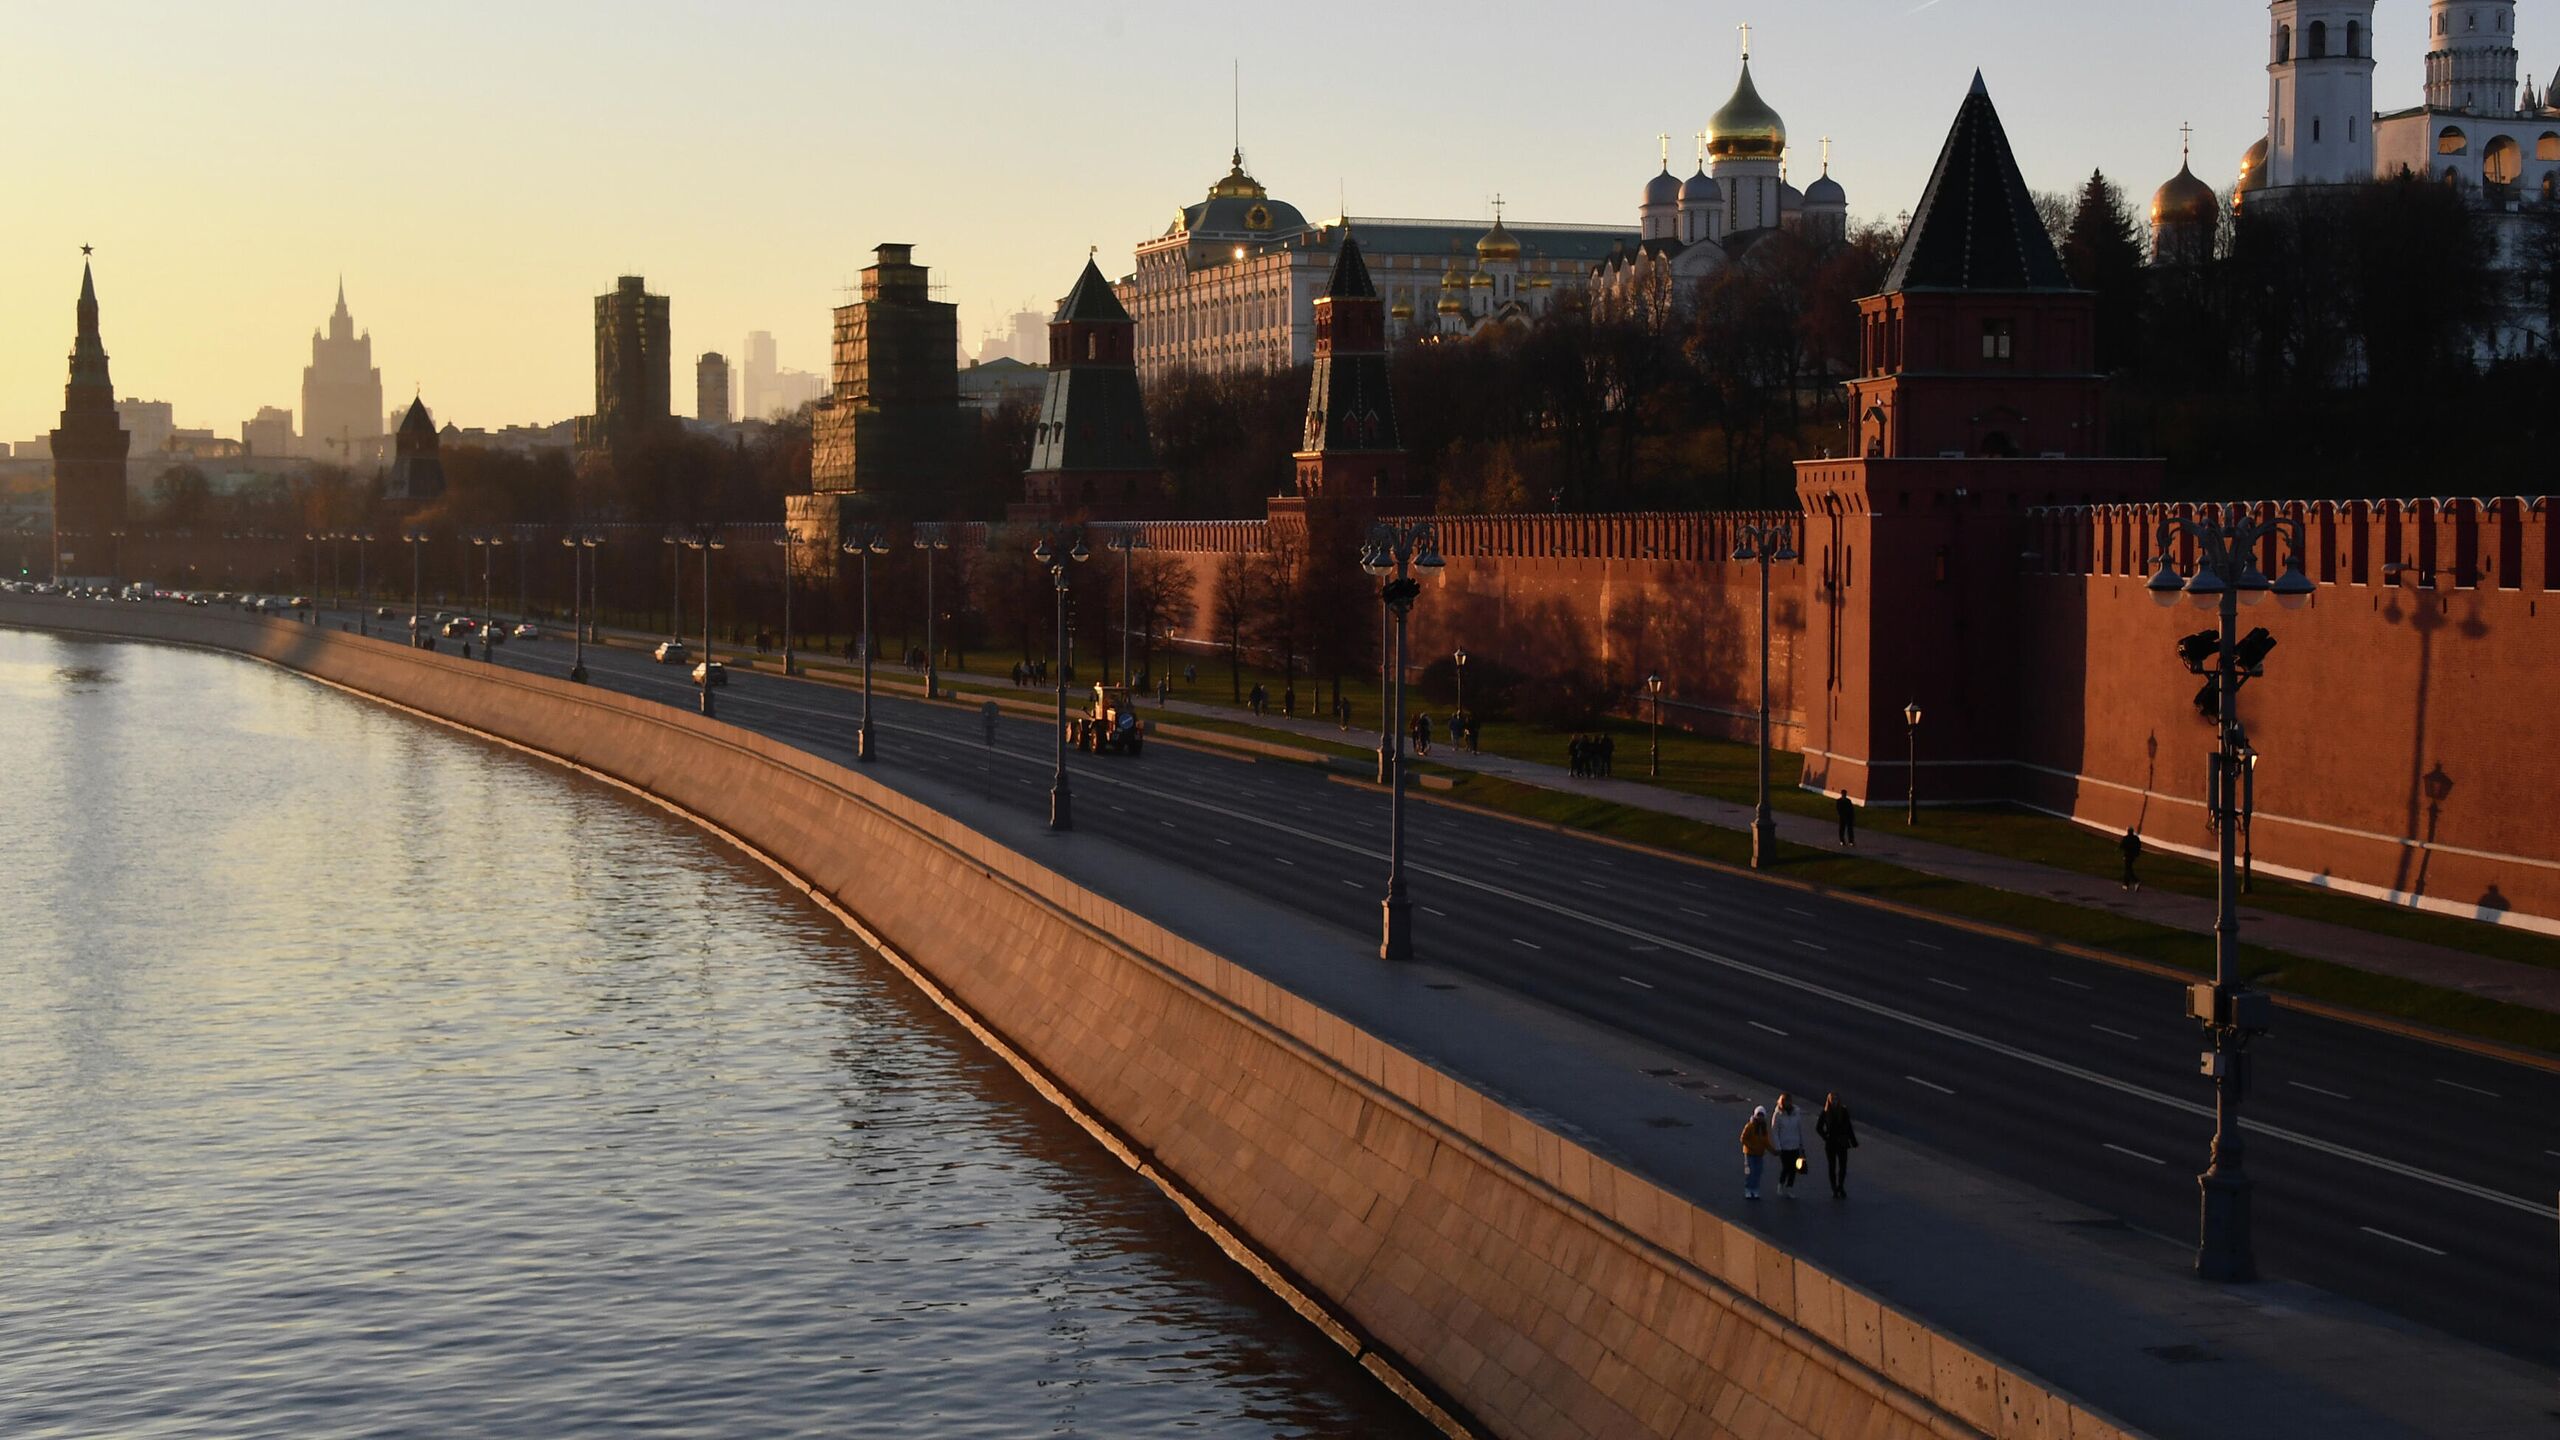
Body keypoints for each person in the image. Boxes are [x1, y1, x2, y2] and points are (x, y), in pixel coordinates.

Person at [1816, 1092, 1858, 1199]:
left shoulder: (1843, 1111)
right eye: (1832, 1099)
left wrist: (1853, 1141)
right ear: (1829, 1101)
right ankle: (1834, 1188)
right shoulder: (1825, 1112)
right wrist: (1825, 1136)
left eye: (1836, 1099)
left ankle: (1841, 1186)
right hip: (1831, 1143)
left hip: (1842, 1142)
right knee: (1832, 1166)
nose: (1834, 1101)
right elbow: (1818, 1127)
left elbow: (1849, 1127)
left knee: (1843, 1166)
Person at [1770, 1093, 1806, 1196]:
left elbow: (1800, 1129)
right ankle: (1781, 1184)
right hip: (1784, 1146)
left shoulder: (1796, 1112)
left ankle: (1790, 1187)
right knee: (1786, 1167)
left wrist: (1801, 1145)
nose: (1788, 1103)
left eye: (1789, 1101)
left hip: (1795, 1145)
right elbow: (1775, 1131)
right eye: (1785, 1101)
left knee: (1794, 1168)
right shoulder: (1778, 1114)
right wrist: (1778, 1146)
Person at [1739, 1105, 1771, 1200]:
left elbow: (1766, 1142)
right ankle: (1748, 1189)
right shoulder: (1750, 1126)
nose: (1760, 1117)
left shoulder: (1763, 1128)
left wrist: (1773, 1151)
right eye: (1758, 1115)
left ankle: (1755, 1189)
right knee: (1750, 1172)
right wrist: (1752, 1147)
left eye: (1761, 1115)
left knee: (1758, 1172)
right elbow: (1743, 1139)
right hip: (1750, 1154)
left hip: (1759, 1154)